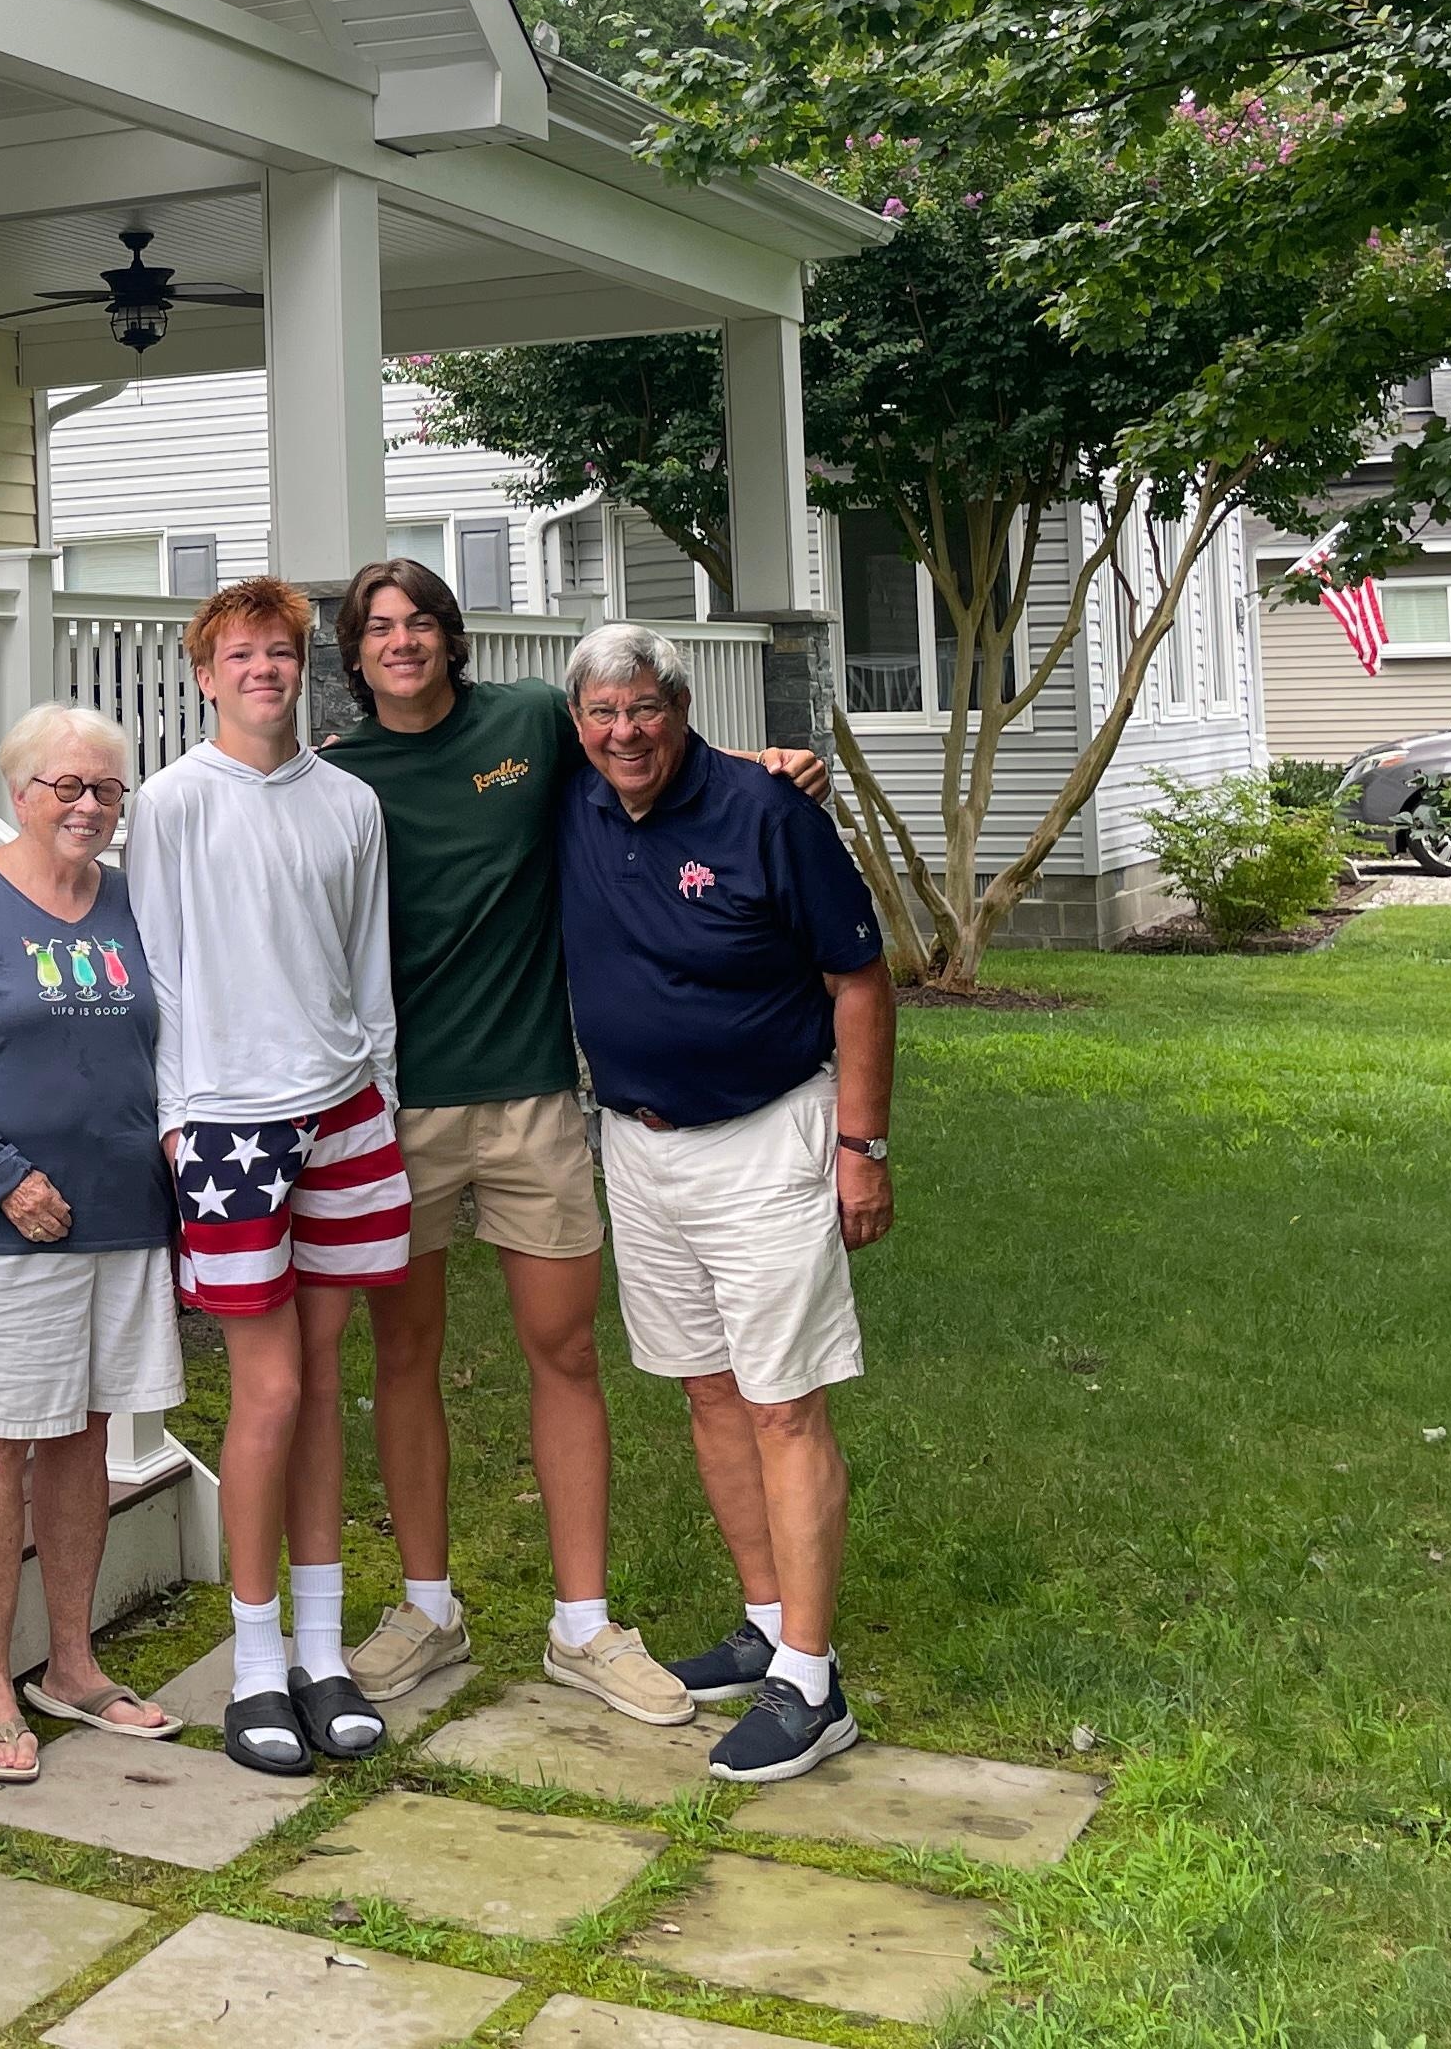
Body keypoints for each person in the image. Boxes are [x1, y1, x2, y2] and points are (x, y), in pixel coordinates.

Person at [319, 560, 825, 1730]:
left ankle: (582, 1626)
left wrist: (769, 768)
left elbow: (644, 741)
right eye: (379, 629)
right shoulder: (337, 781)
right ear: (356, 654)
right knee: (407, 1359)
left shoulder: (531, 722)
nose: (403, 643)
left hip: (537, 1095)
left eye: (421, 624)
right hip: (396, 1107)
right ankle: (427, 1611)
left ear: (453, 638)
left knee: (567, 1356)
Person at [556, 621, 896, 1785]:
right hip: (639, 1145)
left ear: (681, 706)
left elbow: (858, 979)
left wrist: (862, 1145)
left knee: (784, 1402)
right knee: (708, 1389)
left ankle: (813, 1678)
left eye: (643, 707)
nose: (623, 733)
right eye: (600, 714)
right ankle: (764, 1621)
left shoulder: (767, 811)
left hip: (768, 1139)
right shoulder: (578, 797)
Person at [0, 702, 190, 1784]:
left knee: (85, 1437)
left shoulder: (130, 905)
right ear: (21, 791)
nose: (90, 806)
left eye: (108, 788)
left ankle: (71, 1663)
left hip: (120, 1214)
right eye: (68, 786)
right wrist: (5, 1178)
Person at [130, 576, 405, 1778]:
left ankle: (324, 1655)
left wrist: (380, 1093)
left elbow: (368, 962)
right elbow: (163, 973)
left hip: (346, 1111)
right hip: (231, 1125)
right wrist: (179, 1120)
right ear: (204, 675)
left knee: (323, 1378)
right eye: (238, 654)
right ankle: (252, 1664)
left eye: (281, 651)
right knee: (271, 1392)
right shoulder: (173, 804)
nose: (263, 670)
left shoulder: (349, 804)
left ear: (305, 666)